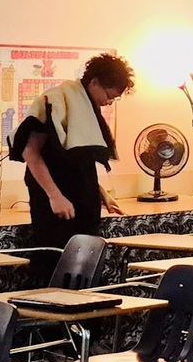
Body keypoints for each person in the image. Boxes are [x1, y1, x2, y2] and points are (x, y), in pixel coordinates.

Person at [9, 53, 128, 248]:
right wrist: (55, 196)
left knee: (86, 259)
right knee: (57, 257)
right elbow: (31, 152)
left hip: (81, 198)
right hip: (54, 198)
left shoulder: (88, 106)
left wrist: (98, 191)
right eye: (109, 96)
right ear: (95, 82)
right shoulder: (56, 99)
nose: (109, 102)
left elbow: (77, 158)